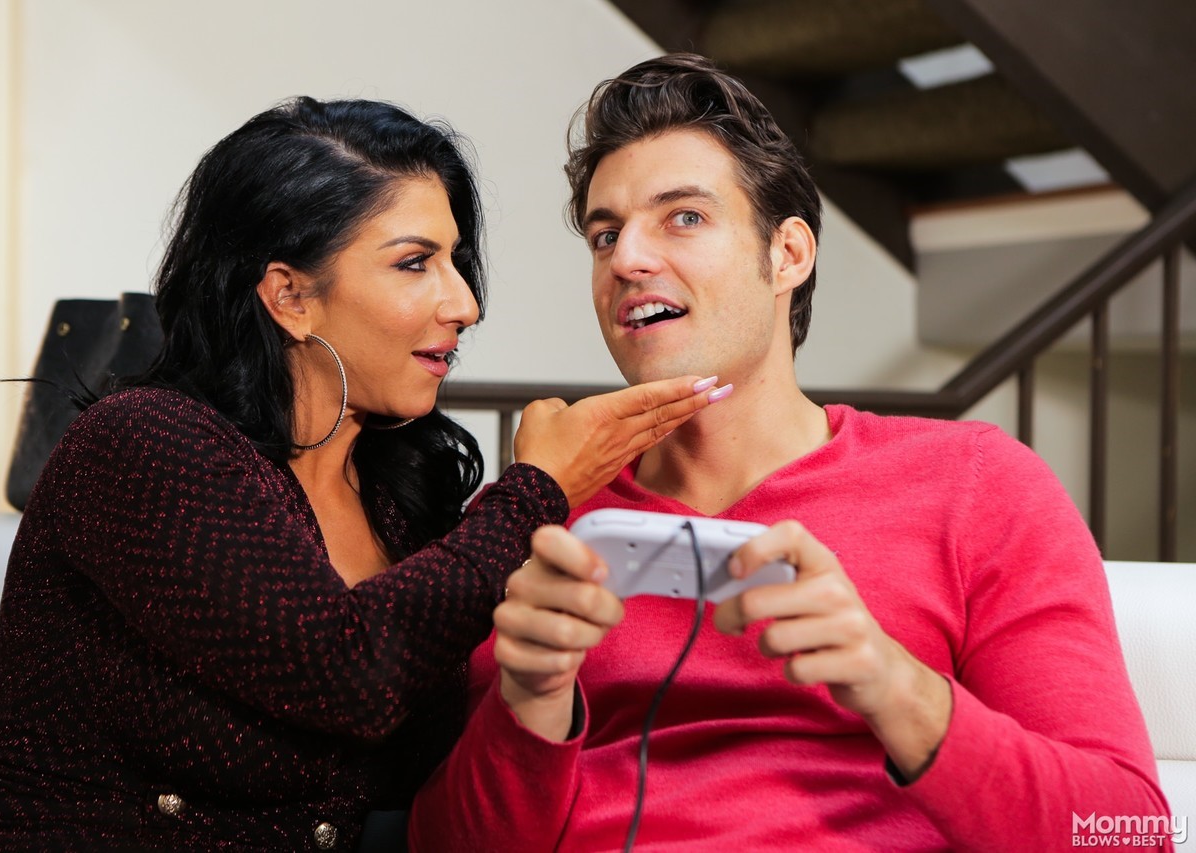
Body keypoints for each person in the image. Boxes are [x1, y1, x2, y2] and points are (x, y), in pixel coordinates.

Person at [0, 96, 726, 850]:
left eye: (455, 260)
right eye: (415, 263)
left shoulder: (400, 502)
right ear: (291, 298)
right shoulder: (142, 444)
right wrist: (536, 489)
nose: (464, 304)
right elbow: (344, 671)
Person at [409, 54, 1173, 851]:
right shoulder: (538, 514)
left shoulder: (978, 484)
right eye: (605, 234)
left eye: (683, 217)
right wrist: (530, 702)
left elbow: (1124, 832)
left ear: (789, 255)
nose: (626, 258)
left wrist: (891, 682)